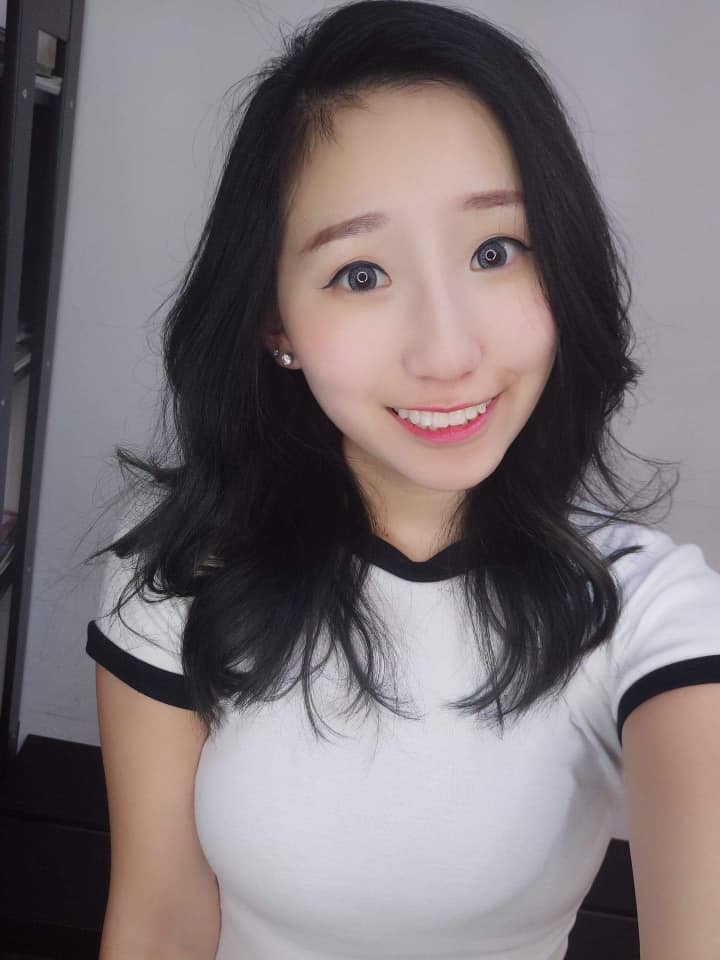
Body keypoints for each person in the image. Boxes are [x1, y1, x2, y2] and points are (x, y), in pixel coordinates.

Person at [85, 2, 720, 958]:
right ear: (276, 324)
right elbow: (160, 922)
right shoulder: (179, 567)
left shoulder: (643, 608)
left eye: (495, 251)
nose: (447, 352)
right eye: (360, 274)